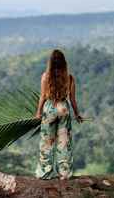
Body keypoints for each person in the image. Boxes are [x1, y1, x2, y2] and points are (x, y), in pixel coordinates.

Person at [34, 49, 83, 180]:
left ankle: (45, 172)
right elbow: (72, 99)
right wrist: (77, 114)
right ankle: (64, 173)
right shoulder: (69, 77)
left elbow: (43, 97)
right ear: (64, 62)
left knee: (46, 142)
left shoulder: (46, 76)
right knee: (63, 142)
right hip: (63, 108)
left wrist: (38, 113)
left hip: (49, 108)